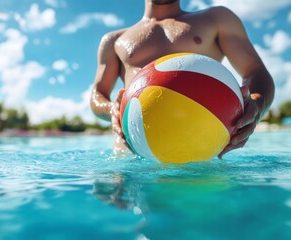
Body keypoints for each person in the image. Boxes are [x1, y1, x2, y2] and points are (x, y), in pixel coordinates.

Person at [90, 0, 275, 158]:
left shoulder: (215, 20)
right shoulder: (114, 40)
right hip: (132, 155)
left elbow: (255, 71)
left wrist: (256, 105)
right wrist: (111, 109)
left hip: (202, 150)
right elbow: (98, 94)